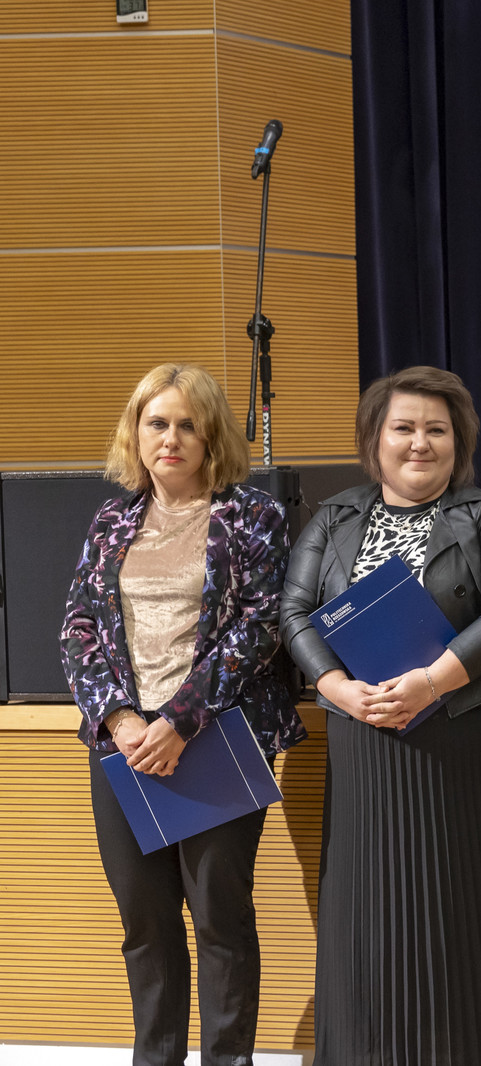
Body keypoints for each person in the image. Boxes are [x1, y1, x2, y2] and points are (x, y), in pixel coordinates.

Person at [279, 366, 481, 1065]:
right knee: (368, 909)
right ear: (375, 439)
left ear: (459, 442)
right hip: (363, 741)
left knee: (465, 904)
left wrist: (433, 682)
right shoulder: (334, 517)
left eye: (437, 429)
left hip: (462, 743)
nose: (420, 442)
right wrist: (336, 688)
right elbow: (294, 612)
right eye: (404, 427)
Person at [62, 363, 305, 1066]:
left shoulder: (253, 516)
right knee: (145, 923)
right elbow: (78, 625)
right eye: (157, 423)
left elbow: (261, 626)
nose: (170, 438)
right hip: (125, 746)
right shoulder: (112, 519)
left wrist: (179, 721)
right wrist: (120, 720)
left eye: (187, 425)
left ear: (211, 436)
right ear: (135, 433)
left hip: (217, 736)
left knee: (219, 919)